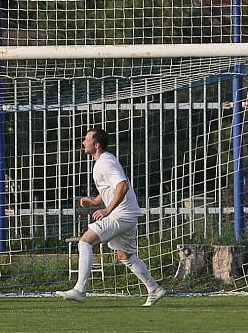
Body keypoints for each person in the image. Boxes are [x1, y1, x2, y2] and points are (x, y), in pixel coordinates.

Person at [56, 126, 166, 307]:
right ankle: (154, 288)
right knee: (125, 255)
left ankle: (80, 290)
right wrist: (94, 201)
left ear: (96, 144)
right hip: (126, 214)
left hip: (121, 213)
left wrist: (108, 210)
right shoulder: (103, 162)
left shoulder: (105, 162)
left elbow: (123, 186)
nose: (83, 142)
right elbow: (111, 188)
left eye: (87, 139)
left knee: (85, 241)